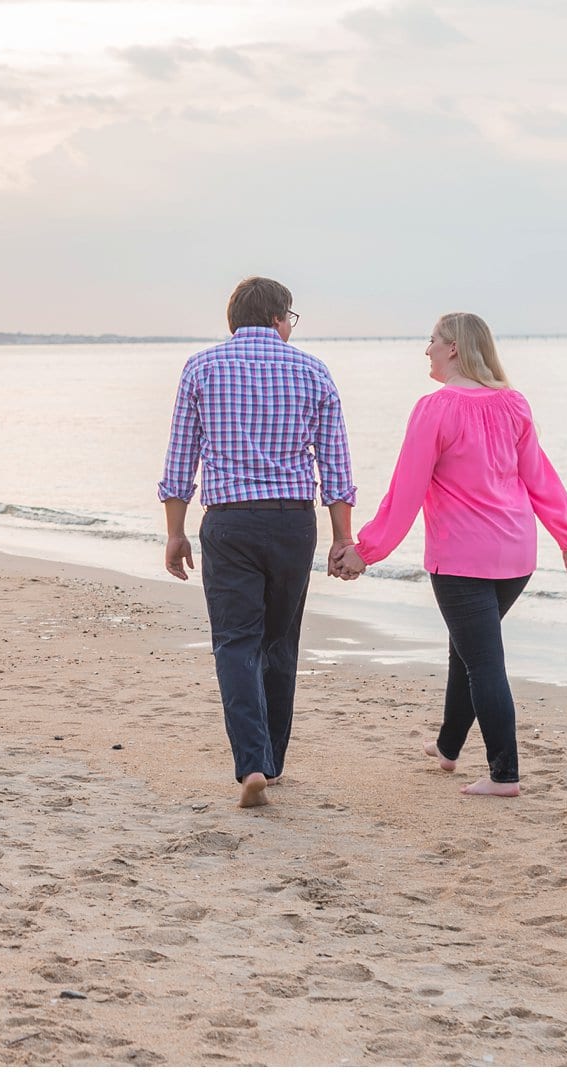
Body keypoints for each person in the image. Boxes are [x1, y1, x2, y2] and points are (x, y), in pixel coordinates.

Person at [329, 312, 567, 798]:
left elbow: (406, 490)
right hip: (515, 556)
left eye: (431, 341)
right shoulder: (514, 403)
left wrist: (365, 550)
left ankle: (503, 775)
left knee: (483, 660)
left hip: (462, 560)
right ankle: (448, 748)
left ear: (452, 349)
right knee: (467, 648)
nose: (425, 349)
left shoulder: (435, 409)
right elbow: (541, 477)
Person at [159, 277, 356, 809]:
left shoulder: (201, 367)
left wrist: (175, 533)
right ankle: (272, 761)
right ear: (278, 318)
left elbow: (181, 462)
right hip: (293, 523)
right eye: (292, 317)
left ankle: (250, 762)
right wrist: (344, 539)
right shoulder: (313, 371)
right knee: (279, 641)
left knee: (235, 641)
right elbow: (335, 466)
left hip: (228, 524)